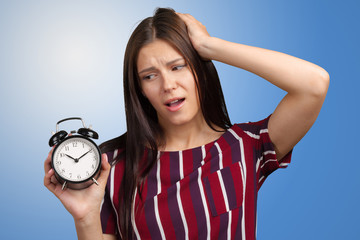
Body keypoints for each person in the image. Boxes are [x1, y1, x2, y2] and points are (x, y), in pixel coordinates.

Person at [44, 7, 329, 240]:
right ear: (140, 89)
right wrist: (85, 217)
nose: (168, 84)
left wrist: (209, 45)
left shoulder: (246, 146)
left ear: (199, 70)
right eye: (150, 75)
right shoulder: (112, 164)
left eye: (177, 66)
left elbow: (314, 84)